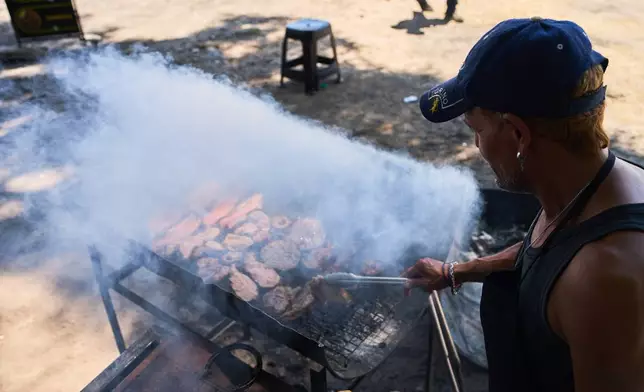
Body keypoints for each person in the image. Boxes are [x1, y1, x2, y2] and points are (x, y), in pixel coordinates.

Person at [407, 17, 644, 392]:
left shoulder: (601, 279)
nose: (477, 147)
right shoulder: (591, 182)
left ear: (518, 134)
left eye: (477, 130)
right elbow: (547, 251)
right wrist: (456, 271)